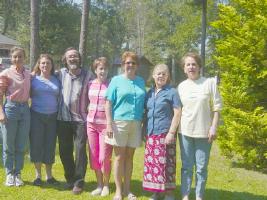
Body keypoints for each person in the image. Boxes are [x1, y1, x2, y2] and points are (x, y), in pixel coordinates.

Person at [177, 52, 222, 200]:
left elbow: (217, 107)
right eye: (188, 64)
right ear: (184, 68)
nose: (191, 67)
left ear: (199, 67)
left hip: (204, 132)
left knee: (201, 168)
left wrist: (213, 127)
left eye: (194, 64)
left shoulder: (209, 83)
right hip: (185, 132)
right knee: (186, 167)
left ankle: (199, 196)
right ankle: (185, 195)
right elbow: (178, 110)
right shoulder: (181, 86)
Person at [105, 51, 146, 200]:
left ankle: (128, 190)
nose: (130, 65)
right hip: (119, 123)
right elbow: (108, 103)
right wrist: (109, 124)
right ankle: (118, 191)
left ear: (137, 66)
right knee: (119, 157)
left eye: (133, 63)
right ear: (123, 65)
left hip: (136, 123)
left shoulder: (141, 81)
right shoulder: (116, 80)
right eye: (127, 62)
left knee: (129, 157)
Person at [57, 47, 94, 194]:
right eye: (69, 57)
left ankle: (79, 182)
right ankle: (70, 179)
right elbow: (42, 75)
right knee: (65, 151)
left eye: (75, 56)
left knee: (79, 151)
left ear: (79, 59)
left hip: (80, 120)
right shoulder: (60, 73)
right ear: (65, 60)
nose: (72, 59)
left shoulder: (88, 75)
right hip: (62, 119)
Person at [143, 64, 181, 200]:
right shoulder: (150, 93)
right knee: (153, 164)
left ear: (168, 76)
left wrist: (171, 132)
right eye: (158, 73)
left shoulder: (172, 92)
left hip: (165, 133)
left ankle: (169, 193)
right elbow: (145, 112)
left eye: (164, 74)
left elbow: (177, 113)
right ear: (153, 76)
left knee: (167, 164)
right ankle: (156, 192)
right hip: (151, 133)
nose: (160, 76)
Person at [0, 47, 31, 186]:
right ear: (11, 58)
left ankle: (17, 173)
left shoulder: (29, 73)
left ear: (24, 57)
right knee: (8, 144)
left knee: (21, 144)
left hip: (25, 109)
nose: (17, 59)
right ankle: (9, 173)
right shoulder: (6, 73)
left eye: (20, 56)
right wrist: (1, 112)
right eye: (15, 57)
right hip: (11, 109)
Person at [30, 54, 60, 186]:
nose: (45, 65)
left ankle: (49, 176)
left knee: (50, 145)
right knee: (36, 144)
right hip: (36, 115)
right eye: (42, 63)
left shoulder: (56, 79)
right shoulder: (33, 79)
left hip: (53, 117)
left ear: (52, 65)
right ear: (39, 65)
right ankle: (37, 176)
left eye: (48, 63)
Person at [87, 57, 113, 196]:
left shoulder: (111, 85)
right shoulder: (90, 84)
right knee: (94, 156)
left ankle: (107, 185)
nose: (103, 71)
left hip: (105, 126)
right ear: (95, 70)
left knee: (104, 157)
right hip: (91, 124)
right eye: (100, 68)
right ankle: (99, 185)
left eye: (105, 68)